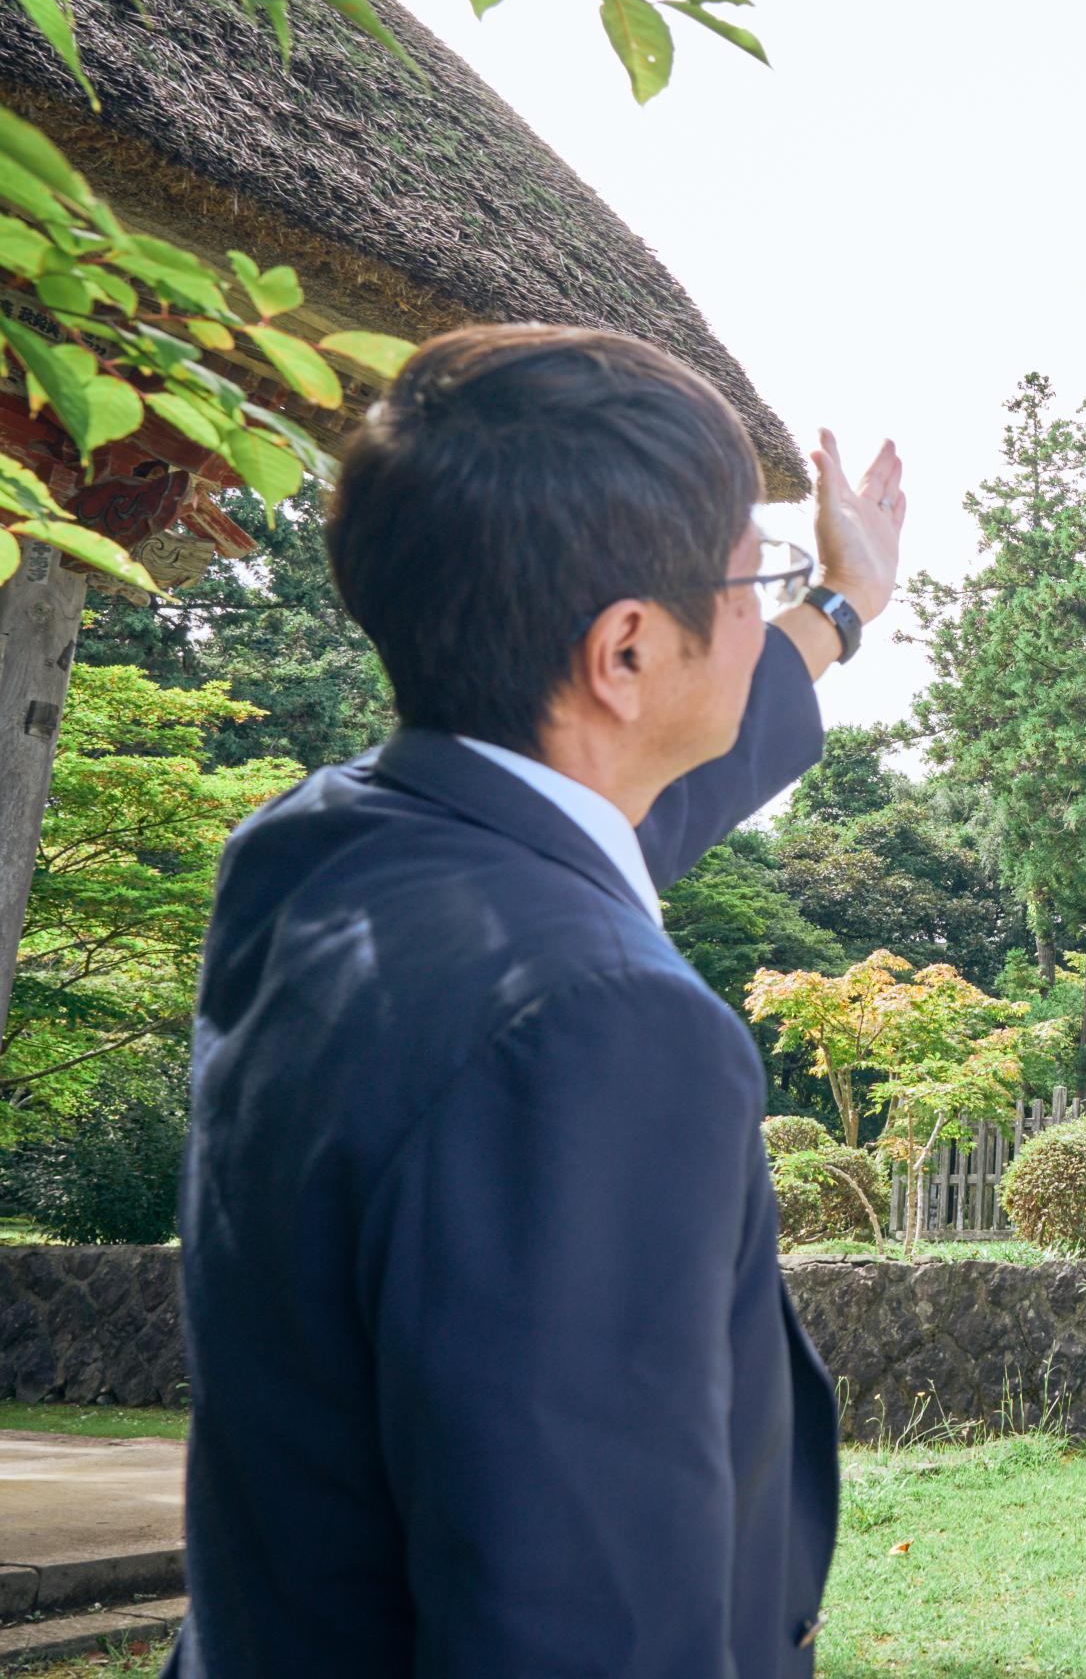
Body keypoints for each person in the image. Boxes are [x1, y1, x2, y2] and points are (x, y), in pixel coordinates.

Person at [170, 326, 905, 1677]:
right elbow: (582, 1628)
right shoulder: (598, 1027)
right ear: (626, 649)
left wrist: (843, 611)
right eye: (758, 580)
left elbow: (622, 809)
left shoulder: (316, 857)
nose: (763, 610)